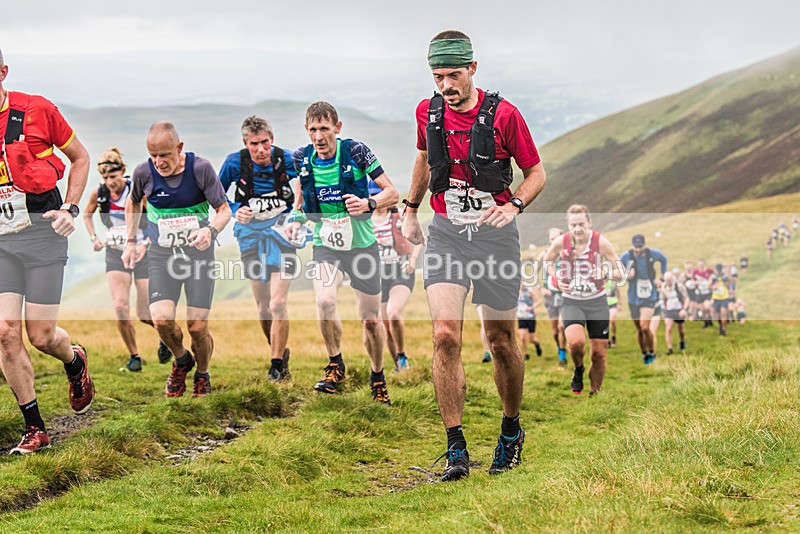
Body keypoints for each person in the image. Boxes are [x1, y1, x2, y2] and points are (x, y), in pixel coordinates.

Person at [403, 30, 546, 481]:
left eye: (454, 75)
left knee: (500, 341)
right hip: (446, 232)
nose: (446, 85)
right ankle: (456, 448)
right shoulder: (427, 112)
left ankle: (510, 431)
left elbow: (536, 171)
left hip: (494, 238)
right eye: (438, 76)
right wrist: (410, 210)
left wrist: (514, 205)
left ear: (473, 70)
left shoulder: (504, 115)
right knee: (445, 334)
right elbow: (425, 160)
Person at [0, 50, 94, 454]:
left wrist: (72, 207)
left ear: (2, 72)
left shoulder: (36, 110)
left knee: (40, 336)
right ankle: (35, 427)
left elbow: (80, 158)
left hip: (42, 236)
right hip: (2, 243)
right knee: (5, 333)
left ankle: (74, 360)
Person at [291, 101, 399, 403]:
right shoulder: (301, 159)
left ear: (337, 129)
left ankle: (377, 376)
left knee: (370, 320)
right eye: (313, 129)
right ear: (306, 130)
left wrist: (369, 204)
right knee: (324, 300)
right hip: (326, 244)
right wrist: (293, 221)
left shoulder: (356, 152)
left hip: (362, 245)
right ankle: (335, 364)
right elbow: (299, 206)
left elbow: (392, 192)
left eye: (324, 129)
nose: (318, 136)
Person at [122, 122, 231, 397]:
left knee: (197, 326)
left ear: (179, 148)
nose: (159, 162)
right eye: (153, 155)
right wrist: (131, 241)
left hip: (198, 255)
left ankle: (203, 374)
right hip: (162, 255)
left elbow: (223, 210)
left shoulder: (200, 169)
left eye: (165, 155)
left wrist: (210, 230)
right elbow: (133, 203)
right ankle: (182, 359)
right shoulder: (144, 172)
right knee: (160, 320)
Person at [219, 116, 308, 382]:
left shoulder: (287, 159)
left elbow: (308, 177)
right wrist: (237, 210)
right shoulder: (234, 163)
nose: (261, 149)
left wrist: (298, 211)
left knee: (278, 301)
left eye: (265, 143)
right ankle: (279, 349)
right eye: (254, 144)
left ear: (272, 139)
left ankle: (276, 364)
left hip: (283, 235)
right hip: (250, 236)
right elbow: (217, 196)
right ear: (245, 143)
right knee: (263, 306)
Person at [83, 147, 169, 372]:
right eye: (105, 177)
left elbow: (156, 220)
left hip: (142, 252)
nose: (110, 182)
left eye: (113, 176)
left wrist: (145, 244)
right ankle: (135, 357)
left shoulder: (136, 192)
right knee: (120, 306)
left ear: (123, 171)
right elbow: (87, 214)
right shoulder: (100, 193)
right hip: (115, 252)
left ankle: (165, 337)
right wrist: (94, 237)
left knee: (144, 312)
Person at [543, 205, 623, 397]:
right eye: (573, 225)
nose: (577, 228)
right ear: (568, 225)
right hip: (572, 301)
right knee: (576, 342)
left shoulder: (601, 242)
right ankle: (578, 369)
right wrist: (556, 279)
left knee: (599, 354)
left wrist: (604, 272)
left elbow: (621, 272)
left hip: (597, 303)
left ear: (589, 223)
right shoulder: (562, 242)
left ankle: (595, 394)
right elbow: (547, 261)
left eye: (581, 224)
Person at [370, 181, 422, 372]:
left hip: (401, 270)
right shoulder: (364, 220)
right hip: (378, 275)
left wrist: (413, 260)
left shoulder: (399, 215)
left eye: (380, 194)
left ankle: (401, 356)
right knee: (384, 324)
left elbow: (418, 238)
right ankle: (398, 367)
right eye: (373, 195)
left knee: (393, 313)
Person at [620, 234, 667, 365]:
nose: (638, 249)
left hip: (649, 295)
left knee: (645, 326)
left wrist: (661, 277)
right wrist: (627, 274)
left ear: (644, 245)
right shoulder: (626, 256)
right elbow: (618, 267)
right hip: (633, 296)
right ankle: (645, 354)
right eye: (636, 247)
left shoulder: (652, 254)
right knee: (639, 330)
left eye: (640, 246)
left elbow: (664, 259)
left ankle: (652, 351)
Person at [538, 228, 568, 366]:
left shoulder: (567, 255)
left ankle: (562, 357)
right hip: (550, 297)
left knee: (562, 327)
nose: (554, 241)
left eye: (557, 238)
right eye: (552, 239)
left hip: (565, 295)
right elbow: (531, 275)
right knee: (555, 330)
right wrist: (541, 289)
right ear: (548, 240)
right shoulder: (543, 255)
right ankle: (560, 347)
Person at [660, 271, 688, 354]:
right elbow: (662, 300)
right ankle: (670, 348)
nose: (668, 281)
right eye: (666, 280)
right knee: (668, 328)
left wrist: (684, 309)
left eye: (669, 279)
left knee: (681, 329)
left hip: (679, 309)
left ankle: (682, 341)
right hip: (669, 310)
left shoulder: (679, 287)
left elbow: (686, 298)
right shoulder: (663, 288)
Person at [516, 283, 542, 360]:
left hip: (530, 317)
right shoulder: (516, 292)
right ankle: (526, 354)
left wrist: (532, 307)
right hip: (521, 317)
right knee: (522, 337)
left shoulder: (529, 292)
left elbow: (539, 301)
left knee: (532, 339)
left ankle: (537, 345)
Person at [710, 263, 731, 336]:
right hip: (716, 298)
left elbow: (729, 283)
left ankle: (724, 329)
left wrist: (726, 283)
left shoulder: (725, 276)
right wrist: (713, 287)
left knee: (723, 312)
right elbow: (709, 285)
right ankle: (721, 326)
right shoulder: (713, 276)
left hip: (724, 297)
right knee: (716, 316)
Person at [604, 279, 620, 348]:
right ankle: (607, 340)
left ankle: (613, 337)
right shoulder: (598, 281)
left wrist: (619, 302)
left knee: (612, 321)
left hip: (613, 303)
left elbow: (618, 291)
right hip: (603, 305)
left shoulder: (612, 281)